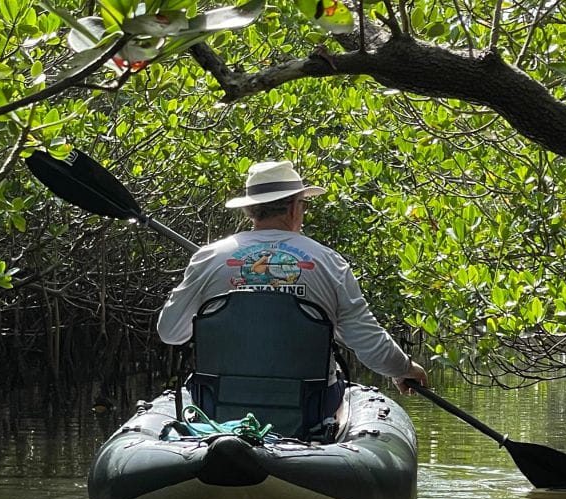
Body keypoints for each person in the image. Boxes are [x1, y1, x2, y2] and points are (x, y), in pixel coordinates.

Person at [156, 160, 428, 420]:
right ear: (295, 207)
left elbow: (170, 332)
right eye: (303, 204)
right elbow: (368, 342)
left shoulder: (208, 257)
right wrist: (404, 368)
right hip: (310, 409)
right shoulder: (329, 263)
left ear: (250, 210)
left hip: (218, 404)